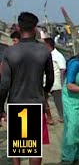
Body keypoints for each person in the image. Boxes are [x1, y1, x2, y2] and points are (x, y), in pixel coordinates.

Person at [0, 12, 54, 165]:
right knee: (34, 147)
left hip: (16, 102)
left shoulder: (10, 52)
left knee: (17, 146)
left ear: (18, 27)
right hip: (36, 102)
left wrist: (0, 108)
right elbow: (50, 78)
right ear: (35, 28)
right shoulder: (44, 51)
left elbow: (4, 84)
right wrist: (45, 92)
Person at [44, 38, 66, 123]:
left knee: (58, 102)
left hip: (56, 82)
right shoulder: (46, 54)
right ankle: (49, 118)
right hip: (46, 81)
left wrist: (62, 82)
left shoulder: (58, 55)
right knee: (44, 100)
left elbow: (62, 69)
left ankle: (62, 117)